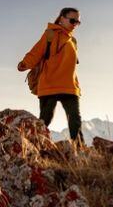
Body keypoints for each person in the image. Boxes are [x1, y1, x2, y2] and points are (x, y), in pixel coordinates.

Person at [18, 7, 84, 143]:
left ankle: (79, 151)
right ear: (61, 19)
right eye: (72, 20)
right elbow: (37, 51)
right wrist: (24, 63)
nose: (75, 24)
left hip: (69, 86)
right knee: (44, 121)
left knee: (75, 121)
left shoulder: (73, 41)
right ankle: (34, 147)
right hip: (49, 84)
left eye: (78, 22)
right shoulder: (50, 34)